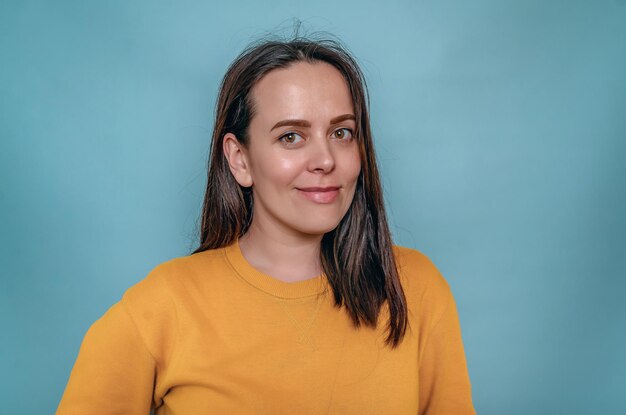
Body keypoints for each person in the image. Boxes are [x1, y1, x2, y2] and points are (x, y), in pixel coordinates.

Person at [57, 35, 476, 414]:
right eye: (291, 136)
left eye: (342, 133)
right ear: (240, 159)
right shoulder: (161, 306)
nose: (325, 160)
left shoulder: (415, 288)